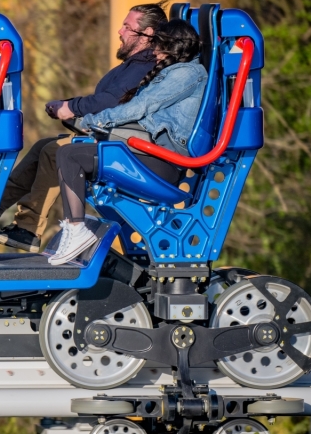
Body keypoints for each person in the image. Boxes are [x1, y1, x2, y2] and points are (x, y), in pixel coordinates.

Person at [0, 3, 169, 252]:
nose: (120, 31)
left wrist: (71, 107)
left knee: (55, 151)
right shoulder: (135, 63)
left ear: (147, 34)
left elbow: (111, 100)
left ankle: (28, 228)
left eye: (127, 27)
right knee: (43, 146)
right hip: (114, 136)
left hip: (129, 146)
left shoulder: (145, 64)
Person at [48, 18, 206, 265]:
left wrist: (92, 121)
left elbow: (140, 107)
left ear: (173, 46)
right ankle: (76, 228)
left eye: (158, 45)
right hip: (148, 153)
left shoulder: (187, 73)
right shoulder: (171, 70)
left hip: (160, 162)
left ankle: (76, 229)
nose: (153, 51)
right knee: (70, 151)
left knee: (71, 155)